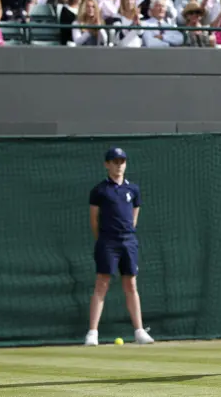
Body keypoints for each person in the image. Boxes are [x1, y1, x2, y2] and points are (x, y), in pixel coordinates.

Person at [84, 147, 155, 346]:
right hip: (107, 241)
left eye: (122, 161)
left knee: (131, 284)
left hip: (129, 241)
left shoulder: (133, 190)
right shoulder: (99, 191)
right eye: (114, 161)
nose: (118, 165)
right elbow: (94, 221)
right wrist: (104, 239)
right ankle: (92, 333)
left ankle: (139, 331)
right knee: (102, 283)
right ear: (107, 164)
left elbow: (134, 218)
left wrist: (127, 236)